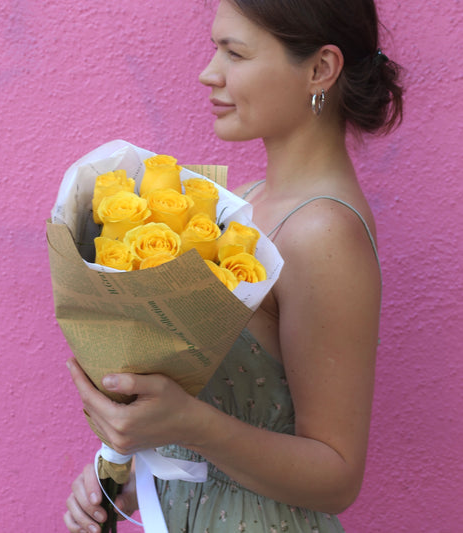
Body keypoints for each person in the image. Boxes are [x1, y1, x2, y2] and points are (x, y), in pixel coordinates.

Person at [63, 0, 403, 531]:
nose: (209, 72)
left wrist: (190, 425)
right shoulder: (240, 203)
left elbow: (338, 477)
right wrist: (142, 475)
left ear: (320, 69)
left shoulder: (324, 232)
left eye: (235, 52)